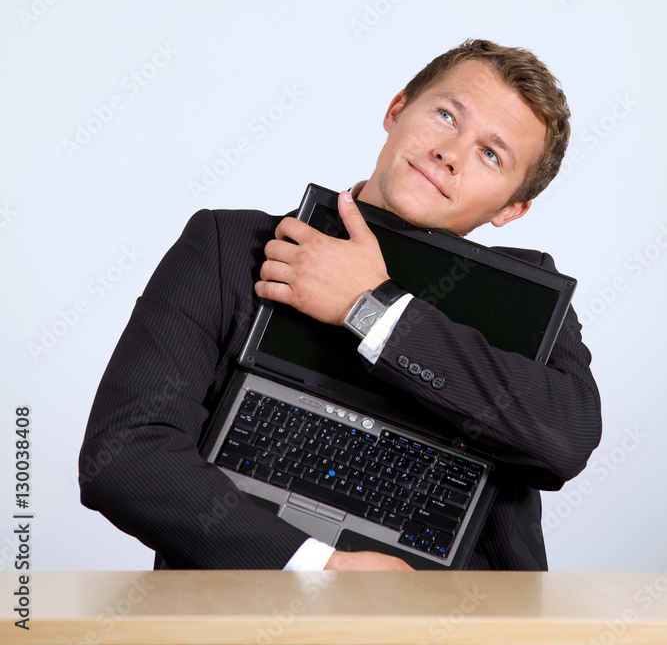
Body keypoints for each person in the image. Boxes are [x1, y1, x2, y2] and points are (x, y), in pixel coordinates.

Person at [79, 38, 602, 571]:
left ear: (512, 208)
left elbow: (563, 441)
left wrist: (371, 307)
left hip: (452, 611)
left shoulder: (533, 303)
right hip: (241, 602)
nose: (450, 154)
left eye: (491, 154)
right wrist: (321, 570)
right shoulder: (227, 246)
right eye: (446, 116)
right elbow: (124, 454)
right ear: (396, 110)